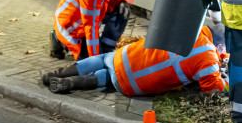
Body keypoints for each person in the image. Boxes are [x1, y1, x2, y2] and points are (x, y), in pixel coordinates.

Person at [43, 26, 227, 97]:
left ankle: (56, 75)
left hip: (124, 57)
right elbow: (213, 88)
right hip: (133, 86)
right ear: (219, 46)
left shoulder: (190, 31)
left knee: (103, 60)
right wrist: (226, 80)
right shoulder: (209, 60)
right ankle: (70, 83)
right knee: (109, 78)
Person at [50, 0, 137, 60]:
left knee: (122, 10)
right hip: (70, 28)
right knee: (87, 60)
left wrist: (120, 1)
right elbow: (91, 28)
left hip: (85, 20)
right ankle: (58, 38)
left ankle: (106, 48)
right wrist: (95, 60)